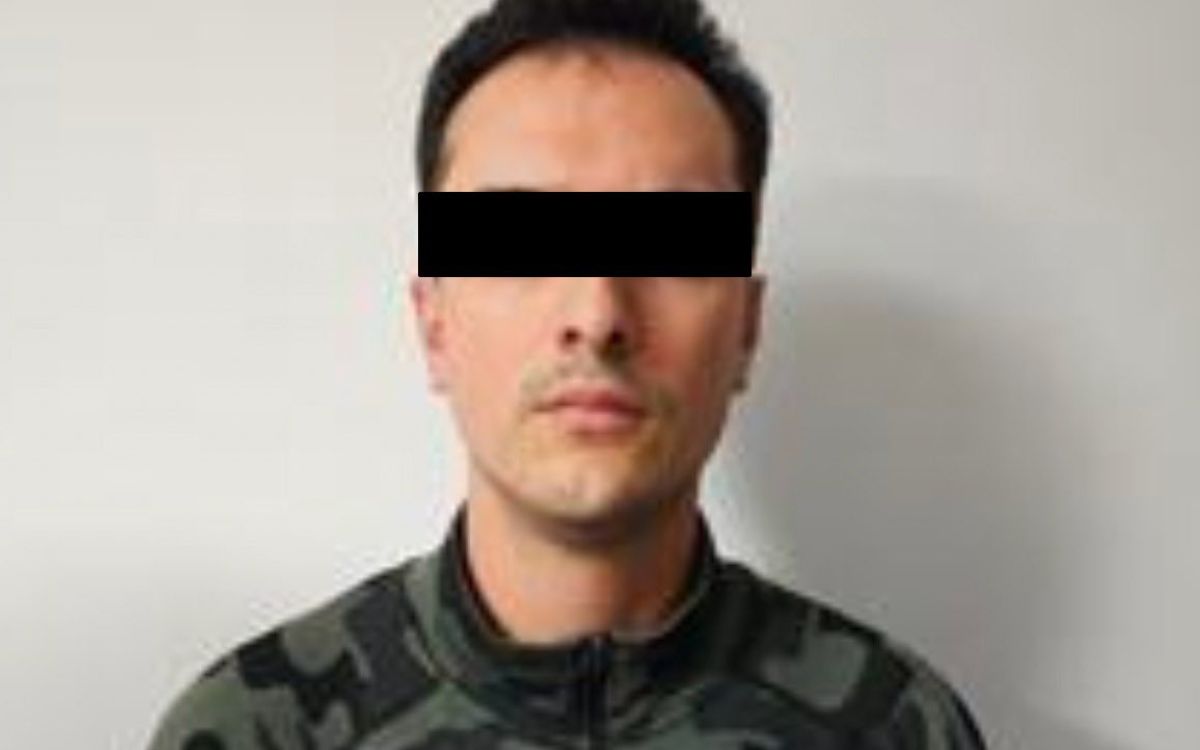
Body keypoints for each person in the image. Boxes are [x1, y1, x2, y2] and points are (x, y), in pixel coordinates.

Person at [149, 1, 986, 747]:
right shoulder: (261, 728)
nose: (597, 312)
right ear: (433, 321)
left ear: (746, 327)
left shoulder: (891, 726)